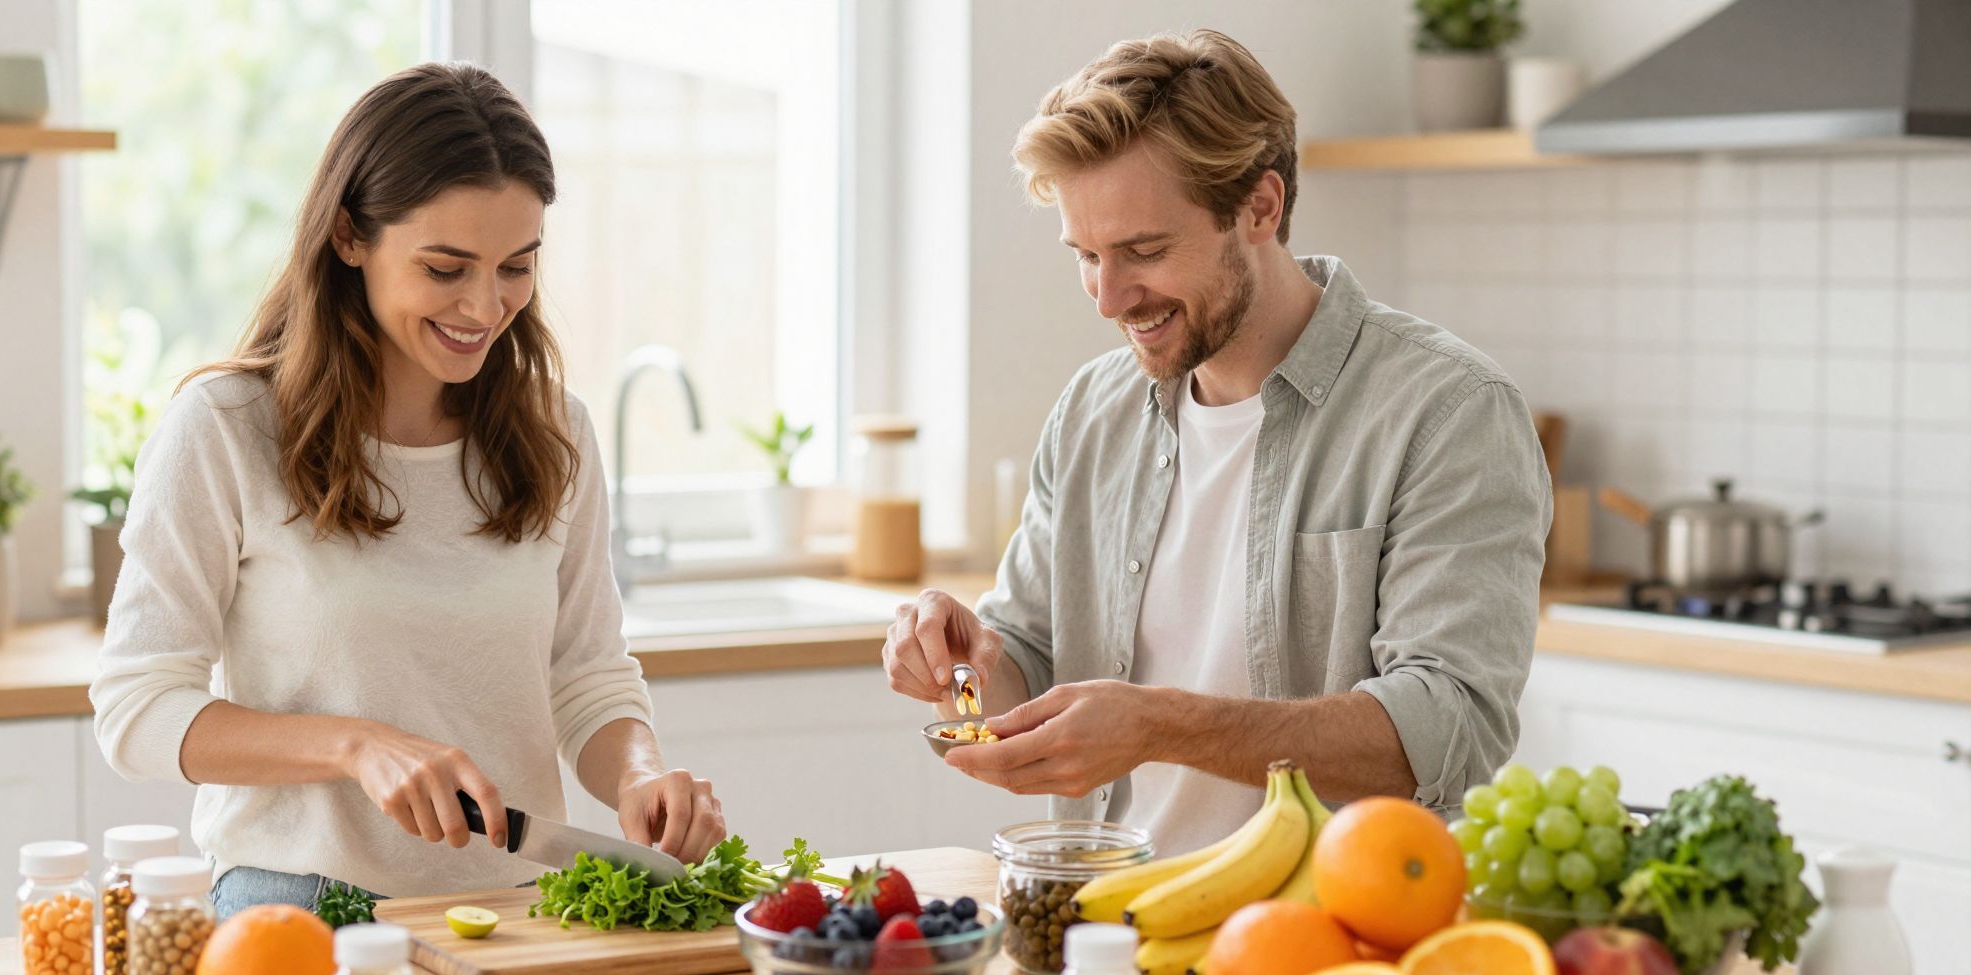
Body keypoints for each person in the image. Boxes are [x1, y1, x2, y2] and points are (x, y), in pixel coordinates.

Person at [881, 31, 1551, 854]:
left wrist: (1161, 723)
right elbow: (1029, 654)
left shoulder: (1447, 413)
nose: (1107, 297)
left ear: (1260, 208)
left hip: (1329, 943)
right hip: (1103, 921)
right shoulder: (1094, 410)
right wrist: (965, 667)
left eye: (1144, 251)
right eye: (1086, 256)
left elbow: (1449, 731)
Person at [91, 63, 725, 918]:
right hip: (298, 905)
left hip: (521, 907)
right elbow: (137, 709)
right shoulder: (226, 428)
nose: (485, 305)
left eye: (515, 266)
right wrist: (356, 746)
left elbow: (586, 676)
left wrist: (640, 775)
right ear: (350, 236)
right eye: (445, 267)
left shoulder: (555, 432)